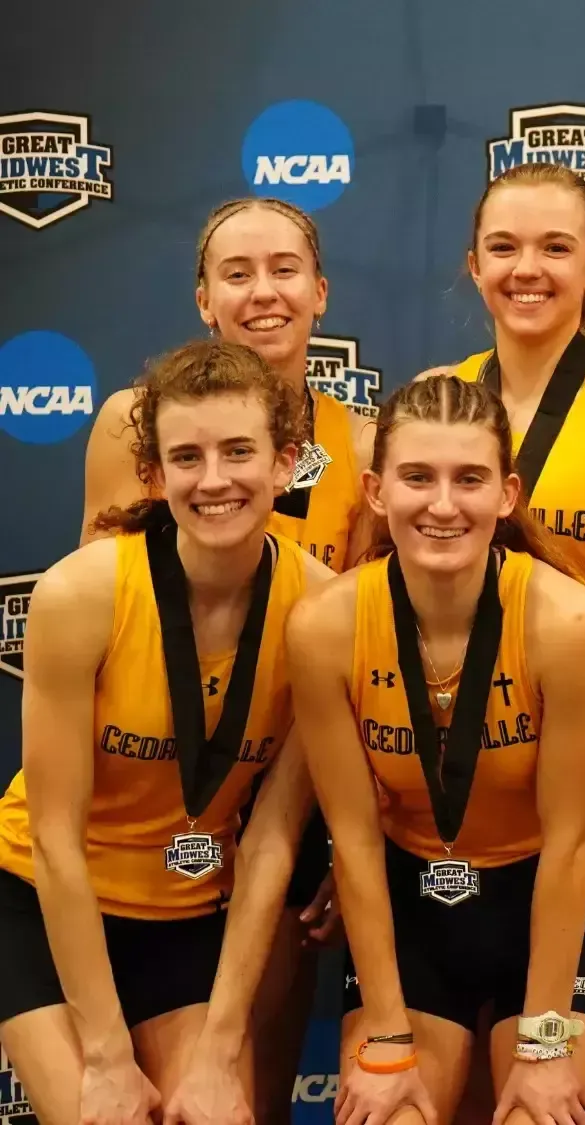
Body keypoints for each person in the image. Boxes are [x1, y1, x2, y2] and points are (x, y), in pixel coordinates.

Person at [78, 197, 369, 1118]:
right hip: (135, 807)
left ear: (321, 292)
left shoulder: (361, 440)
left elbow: (352, 655)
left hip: (273, 808)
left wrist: (329, 842)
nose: (263, 291)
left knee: (245, 1081)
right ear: (205, 300)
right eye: (236, 273)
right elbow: (99, 623)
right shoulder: (134, 421)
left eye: (285, 269)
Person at [0, 340, 331, 1125]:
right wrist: (108, 1057)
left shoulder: (321, 613)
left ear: (286, 464)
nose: (214, 479)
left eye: (239, 451)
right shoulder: (82, 595)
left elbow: (274, 840)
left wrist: (221, 1048)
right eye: (187, 456)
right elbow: (53, 835)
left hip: (188, 916)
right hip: (43, 906)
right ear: (153, 475)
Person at [418, 161, 585, 1125]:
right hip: (458, 796)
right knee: (489, 1085)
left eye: (555, 248)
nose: (527, 269)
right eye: (504, 248)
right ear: (474, 265)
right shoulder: (429, 404)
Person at [285, 375, 585, 1125]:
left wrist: (542, 1044)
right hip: (412, 915)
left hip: (545, 904)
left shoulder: (565, 621)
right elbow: (355, 839)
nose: (443, 505)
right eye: (417, 477)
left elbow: (572, 842)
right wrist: (387, 1038)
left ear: (507, 494)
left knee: (545, 1118)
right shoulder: (325, 626)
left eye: (468, 478)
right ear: (375, 491)